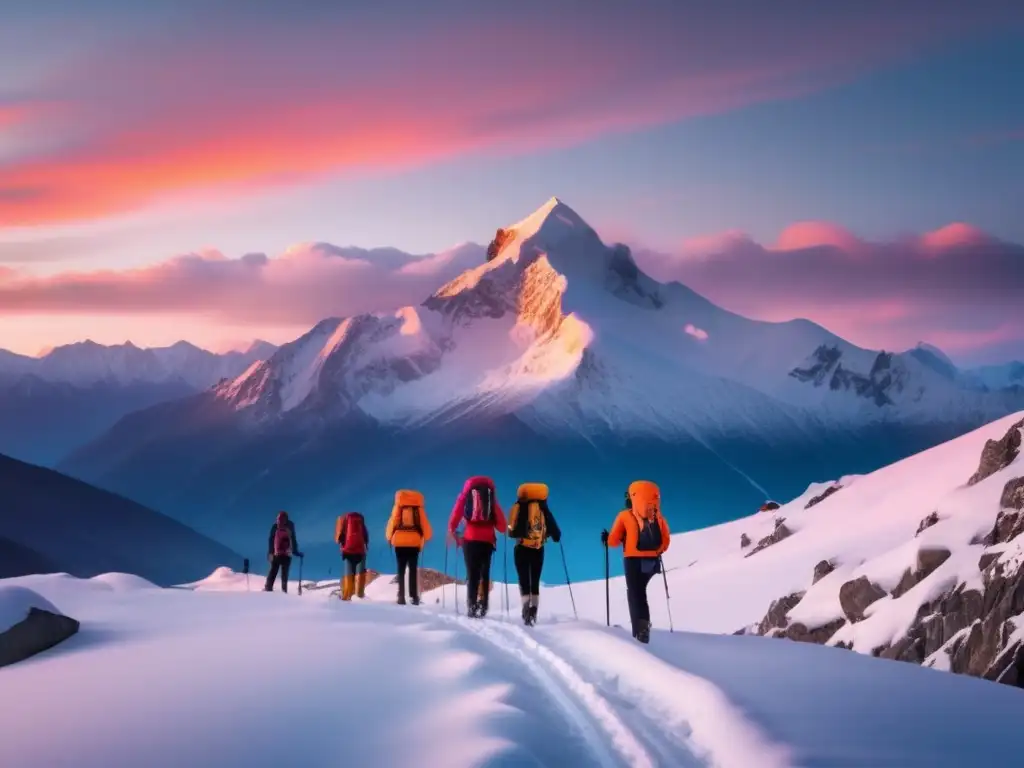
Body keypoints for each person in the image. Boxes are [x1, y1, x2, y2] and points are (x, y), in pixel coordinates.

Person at [602, 481, 670, 644]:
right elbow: (666, 541)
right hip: (652, 562)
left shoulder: (625, 516)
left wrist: (606, 539)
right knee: (640, 592)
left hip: (633, 561)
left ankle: (640, 631)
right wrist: (655, 552)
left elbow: (613, 541)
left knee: (635, 593)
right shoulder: (658, 517)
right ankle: (641, 628)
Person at [448, 475, 506, 618]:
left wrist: (452, 530)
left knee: (472, 573)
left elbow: (455, 514)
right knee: (484, 573)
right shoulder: (491, 499)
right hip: (487, 541)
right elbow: (503, 527)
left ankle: (472, 606)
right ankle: (483, 606)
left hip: (470, 539)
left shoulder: (465, 497)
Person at [507, 482, 561, 626]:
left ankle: (526, 610)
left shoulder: (519, 506)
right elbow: (557, 534)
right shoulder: (544, 509)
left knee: (524, 580)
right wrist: (553, 535)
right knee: (535, 581)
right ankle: (533, 612)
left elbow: (511, 531)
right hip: (538, 549)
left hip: (521, 548)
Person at [385, 489, 433, 605]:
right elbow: (426, 527)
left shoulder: (399, 506)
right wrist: (426, 536)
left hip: (400, 542)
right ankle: (414, 596)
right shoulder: (418, 508)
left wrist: (389, 536)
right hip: (414, 542)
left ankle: (401, 596)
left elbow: (393, 521)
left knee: (400, 569)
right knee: (412, 569)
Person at [335, 511, 370, 601]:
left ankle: (347, 598)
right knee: (359, 575)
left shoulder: (343, 520)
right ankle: (359, 597)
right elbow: (366, 535)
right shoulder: (360, 521)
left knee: (348, 575)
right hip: (360, 552)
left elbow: (338, 539)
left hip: (348, 552)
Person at [265, 511, 301, 593]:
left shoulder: (275, 526)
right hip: (287, 555)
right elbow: (293, 539)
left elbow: (271, 540)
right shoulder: (290, 526)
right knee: (284, 575)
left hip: (276, 554)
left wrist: (271, 552)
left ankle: (268, 589)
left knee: (273, 572)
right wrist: (296, 552)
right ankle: (284, 592)